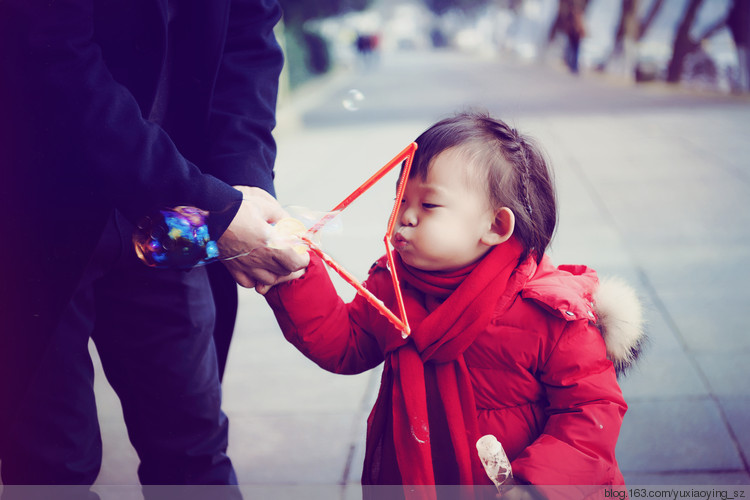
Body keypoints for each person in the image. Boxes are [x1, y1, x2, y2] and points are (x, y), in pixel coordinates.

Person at [0, 0, 308, 496]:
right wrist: (210, 208)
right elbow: (52, 59)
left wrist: (242, 187)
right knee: (52, 469)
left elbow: (249, 37)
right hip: (32, 212)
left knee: (194, 453)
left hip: (170, 215)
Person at [262, 112, 645, 499]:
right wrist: (297, 277)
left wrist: (537, 486)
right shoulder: (392, 284)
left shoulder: (552, 314)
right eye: (400, 198)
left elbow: (591, 410)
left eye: (428, 204)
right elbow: (345, 345)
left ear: (495, 227)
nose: (403, 216)